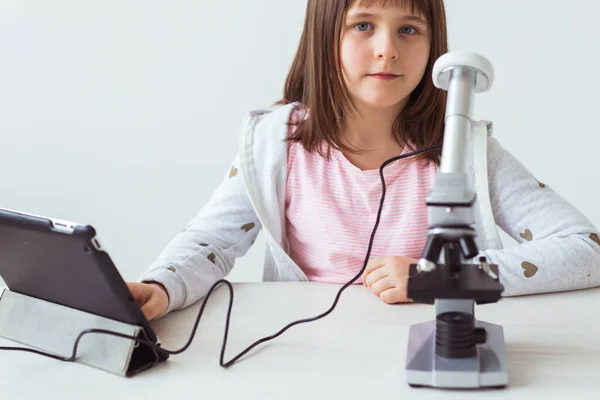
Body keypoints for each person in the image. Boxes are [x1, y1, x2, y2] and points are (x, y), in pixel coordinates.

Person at [127, 0, 600, 321]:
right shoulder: (275, 142)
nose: (387, 49)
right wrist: (162, 288)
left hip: (420, 352)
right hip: (306, 358)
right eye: (363, 25)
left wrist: (443, 279)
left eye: (409, 30)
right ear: (325, 36)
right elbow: (212, 240)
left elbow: (587, 250)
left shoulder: (466, 152)